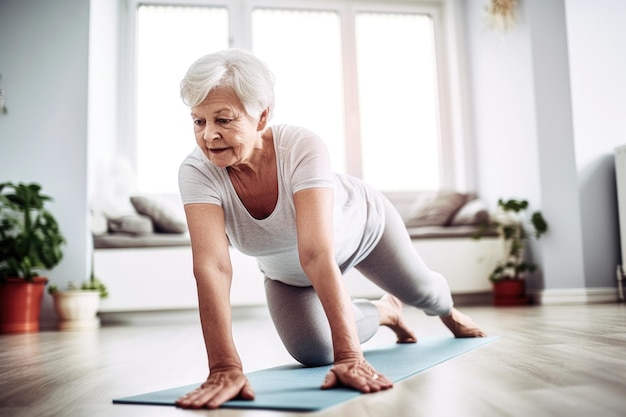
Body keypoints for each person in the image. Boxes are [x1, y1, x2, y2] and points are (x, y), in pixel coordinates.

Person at [175, 48, 486, 410]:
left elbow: (315, 251)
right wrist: (224, 367)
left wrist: (351, 355)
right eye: (199, 122)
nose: (209, 136)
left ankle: (448, 310)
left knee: (425, 294)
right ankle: (386, 313)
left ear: (261, 118)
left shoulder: (301, 147)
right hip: (286, 274)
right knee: (314, 351)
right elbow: (212, 266)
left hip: (364, 230)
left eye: (224, 120)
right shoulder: (197, 172)